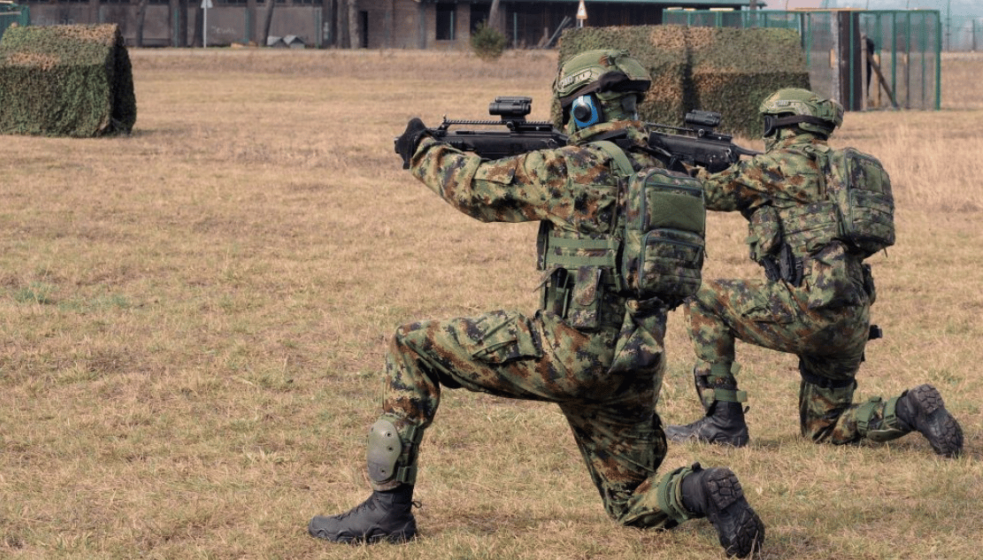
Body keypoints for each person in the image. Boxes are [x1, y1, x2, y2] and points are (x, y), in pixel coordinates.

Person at [307, 49, 764, 558]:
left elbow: (476, 189)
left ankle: (387, 510)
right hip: (635, 364)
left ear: (584, 108)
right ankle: (703, 490)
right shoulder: (673, 175)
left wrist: (422, 150)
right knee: (629, 502)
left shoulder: (575, 168)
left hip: (566, 353)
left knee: (410, 345)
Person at [665, 88, 964, 458]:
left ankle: (723, 421)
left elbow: (697, 191)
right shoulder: (846, 172)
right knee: (825, 428)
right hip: (850, 321)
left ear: (778, 125)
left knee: (702, 298)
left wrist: (666, 163)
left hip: (808, 311)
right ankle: (910, 408)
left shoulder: (775, 167)